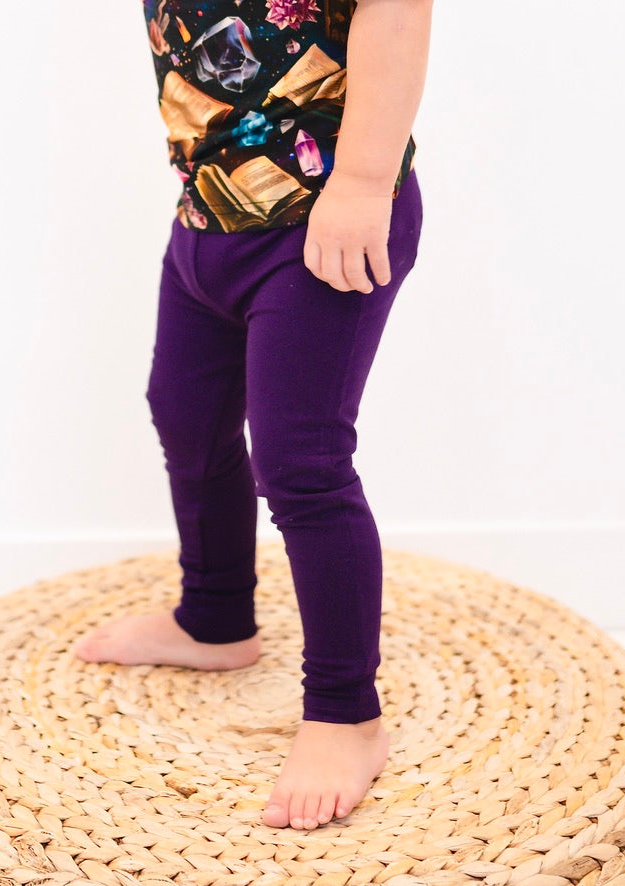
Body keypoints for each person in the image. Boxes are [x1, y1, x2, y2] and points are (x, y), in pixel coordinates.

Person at [74, 0, 433, 831]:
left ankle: (346, 713)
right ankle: (215, 616)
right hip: (207, 214)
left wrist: (363, 181)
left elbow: (397, 11)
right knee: (185, 414)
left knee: (302, 461)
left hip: (324, 218)